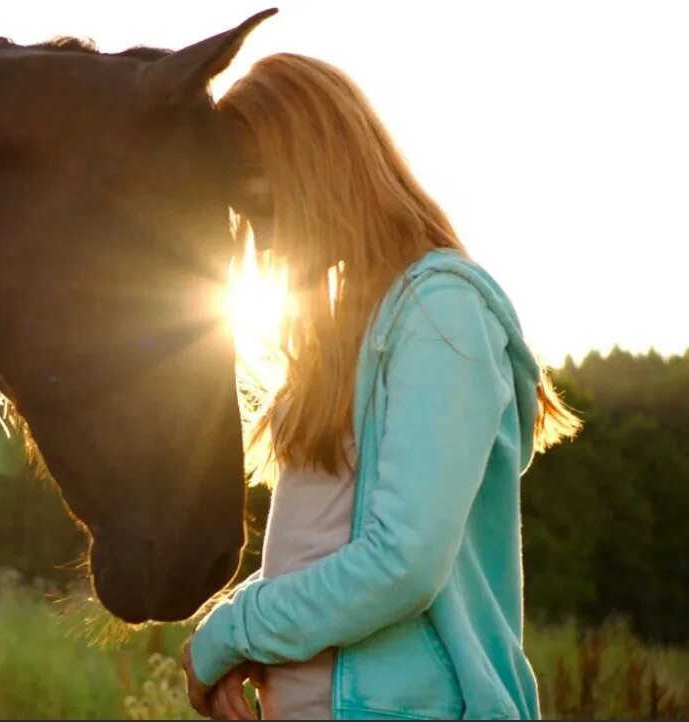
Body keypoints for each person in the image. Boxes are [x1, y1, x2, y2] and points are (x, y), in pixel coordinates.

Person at [182, 52, 582, 720]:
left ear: (317, 171)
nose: (263, 241)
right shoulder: (353, 334)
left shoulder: (439, 313)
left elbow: (402, 563)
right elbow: (325, 552)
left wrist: (234, 630)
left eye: (263, 202)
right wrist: (237, 636)